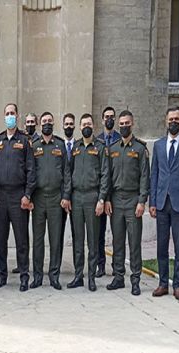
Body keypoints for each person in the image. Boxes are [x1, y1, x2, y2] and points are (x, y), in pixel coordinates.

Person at [150, 106, 179, 301]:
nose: (173, 122)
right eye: (171, 119)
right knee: (162, 246)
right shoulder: (159, 145)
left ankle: (177, 285)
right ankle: (163, 283)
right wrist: (152, 201)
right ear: (165, 121)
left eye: (177, 119)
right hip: (161, 203)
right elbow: (154, 174)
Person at [64, 113, 110, 292]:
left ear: (93, 125)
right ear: (79, 127)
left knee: (92, 240)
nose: (86, 127)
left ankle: (91, 277)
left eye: (89, 123)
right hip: (76, 198)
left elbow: (105, 174)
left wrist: (101, 199)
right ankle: (78, 276)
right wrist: (67, 196)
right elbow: (69, 173)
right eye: (83, 124)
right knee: (78, 239)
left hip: (92, 198)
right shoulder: (75, 147)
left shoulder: (100, 147)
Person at [0, 103, 35, 291]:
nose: (10, 116)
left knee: (21, 238)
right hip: (0, 195)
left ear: (17, 116)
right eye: (7, 113)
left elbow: (31, 170)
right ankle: (2, 275)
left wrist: (27, 195)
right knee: (0, 237)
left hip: (18, 196)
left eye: (12, 113)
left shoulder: (24, 141)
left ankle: (24, 275)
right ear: (4, 117)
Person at [106, 110, 150, 296]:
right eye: (121, 124)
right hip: (116, 199)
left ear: (132, 124)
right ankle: (118, 277)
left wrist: (142, 201)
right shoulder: (113, 148)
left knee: (134, 241)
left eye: (127, 123)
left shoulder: (140, 149)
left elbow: (144, 177)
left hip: (133, 201)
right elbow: (107, 177)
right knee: (117, 241)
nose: (124, 126)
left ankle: (135, 279)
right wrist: (107, 198)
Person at [30, 111, 70, 290]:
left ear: (53, 124)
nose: (46, 124)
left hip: (56, 199)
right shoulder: (34, 145)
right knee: (38, 240)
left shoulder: (60, 145)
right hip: (38, 199)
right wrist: (28, 196)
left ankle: (54, 276)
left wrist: (66, 196)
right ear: (39, 124)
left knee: (55, 240)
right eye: (44, 121)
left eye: (49, 121)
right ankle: (37, 276)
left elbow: (67, 173)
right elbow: (29, 172)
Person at [95, 106, 122, 277]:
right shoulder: (97, 140)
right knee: (99, 233)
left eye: (112, 116)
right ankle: (101, 265)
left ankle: (118, 265)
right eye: (107, 117)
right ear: (102, 119)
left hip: (117, 194)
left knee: (118, 233)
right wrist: (102, 198)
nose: (109, 119)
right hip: (101, 194)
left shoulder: (121, 139)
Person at [59, 113, 77, 270]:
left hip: (77, 197)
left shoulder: (79, 146)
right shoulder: (58, 146)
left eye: (71, 124)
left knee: (78, 235)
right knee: (58, 233)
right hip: (61, 198)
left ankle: (80, 270)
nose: (69, 127)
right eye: (66, 124)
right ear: (62, 125)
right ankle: (56, 267)